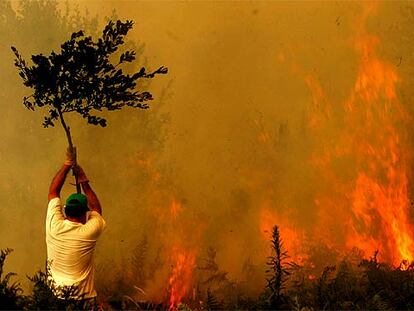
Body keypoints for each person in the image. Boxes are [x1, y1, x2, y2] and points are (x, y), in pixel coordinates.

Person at [46, 148, 105, 301]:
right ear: (84, 213)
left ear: (65, 210)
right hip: (83, 300)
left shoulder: (54, 227)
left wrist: (67, 163)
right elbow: (97, 209)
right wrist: (83, 181)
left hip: (56, 297)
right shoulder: (88, 233)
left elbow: (53, 192)